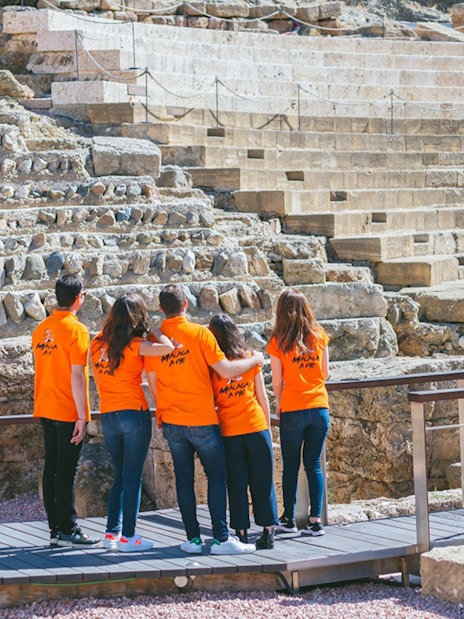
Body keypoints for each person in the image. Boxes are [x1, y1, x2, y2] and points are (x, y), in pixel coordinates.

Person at [145, 284, 263, 555]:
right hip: (201, 418)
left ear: (162, 308)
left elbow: (152, 387)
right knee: (216, 476)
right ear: (186, 305)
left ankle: (193, 540)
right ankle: (221, 538)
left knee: (183, 479)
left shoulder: (154, 341)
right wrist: (255, 358)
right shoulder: (201, 334)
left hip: (172, 420)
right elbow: (225, 369)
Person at [91, 292, 175, 553]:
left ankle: (111, 532)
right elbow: (169, 348)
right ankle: (128, 536)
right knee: (133, 477)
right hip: (133, 413)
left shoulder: (96, 343)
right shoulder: (136, 344)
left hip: (108, 416)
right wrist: (155, 331)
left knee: (121, 476)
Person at [32, 274, 100, 547]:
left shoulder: (40, 330)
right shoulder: (77, 330)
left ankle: (56, 530)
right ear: (78, 298)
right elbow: (77, 375)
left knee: (52, 469)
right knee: (66, 470)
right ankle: (69, 529)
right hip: (66, 408)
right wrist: (83, 415)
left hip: (44, 405)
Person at [209, 314, 278, 550]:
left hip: (230, 431)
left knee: (236, 483)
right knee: (263, 481)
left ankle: (240, 531)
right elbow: (262, 397)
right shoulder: (250, 360)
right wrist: (267, 429)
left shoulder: (215, 368)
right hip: (256, 426)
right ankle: (268, 531)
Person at [267, 288, 330, 536]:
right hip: (319, 407)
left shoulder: (278, 342)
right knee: (314, 464)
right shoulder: (320, 336)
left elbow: (276, 381)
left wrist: (280, 402)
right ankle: (315, 520)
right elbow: (325, 374)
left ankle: (289, 519)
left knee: (291, 465)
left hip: (293, 409)